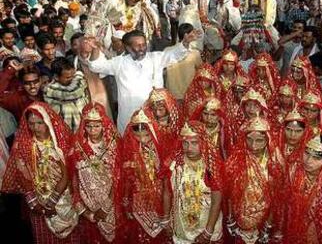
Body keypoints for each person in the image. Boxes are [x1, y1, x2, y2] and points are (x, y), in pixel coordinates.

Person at [87, 29, 194, 134]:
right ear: (128, 47)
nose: (142, 48)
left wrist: (185, 43)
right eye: (137, 45)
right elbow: (97, 66)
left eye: (143, 44)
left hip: (154, 113)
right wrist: (95, 49)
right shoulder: (119, 63)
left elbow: (175, 54)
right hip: (129, 115)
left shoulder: (155, 58)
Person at [1, 102, 79, 243]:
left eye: (39, 123)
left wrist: (51, 203)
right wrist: (33, 202)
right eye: (31, 124)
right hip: (38, 202)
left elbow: (67, 175)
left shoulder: (59, 143)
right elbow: (23, 177)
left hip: (63, 200)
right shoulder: (24, 145)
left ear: (48, 121)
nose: (35, 128)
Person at [161, 121, 225, 243]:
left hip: (206, 226)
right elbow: (167, 192)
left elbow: (217, 201)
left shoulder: (212, 166)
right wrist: (165, 220)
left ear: (203, 143)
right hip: (181, 228)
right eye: (185, 143)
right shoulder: (174, 164)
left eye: (195, 143)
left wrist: (208, 232)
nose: (189, 148)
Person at [70, 103, 120, 243]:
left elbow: (119, 176)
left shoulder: (113, 144)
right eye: (89, 126)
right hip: (89, 203)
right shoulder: (77, 146)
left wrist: (106, 206)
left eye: (97, 126)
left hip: (112, 201)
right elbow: (74, 178)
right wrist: (82, 208)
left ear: (103, 125)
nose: (92, 130)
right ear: (84, 126)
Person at [226, 117, 281, 243]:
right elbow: (229, 192)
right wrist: (230, 218)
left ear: (267, 140)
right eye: (249, 140)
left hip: (263, 220)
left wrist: (268, 225)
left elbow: (277, 198)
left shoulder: (274, 163)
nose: (253, 146)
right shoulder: (236, 159)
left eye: (259, 141)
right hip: (239, 218)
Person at [117, 109, 168, 243]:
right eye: (138, 136)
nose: (143, 140)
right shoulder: (130, 149)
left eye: (146, 135)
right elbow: (126, 178)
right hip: (138, 198)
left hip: (160, 195)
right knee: (140, 234)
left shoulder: (161, 146)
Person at [284, 134, 322, 243]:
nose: (308, 161)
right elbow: (283, 206)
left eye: (316, 158)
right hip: (291, 230)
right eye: (306, 153)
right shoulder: (293, 171)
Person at [43, 57, 90, 131]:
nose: (72, 79)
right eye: (68, 77)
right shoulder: (50, 89)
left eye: (73, 75)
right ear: (56, 77)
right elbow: (73, 93)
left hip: (84, 128)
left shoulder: (76, 83)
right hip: (66, 132)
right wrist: (79, 76)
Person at [143, 88, 183, 157]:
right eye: (154, 110)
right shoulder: (147, 122)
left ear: (168, 106)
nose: (157, 113)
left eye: (160, 109)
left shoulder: (177, 119)